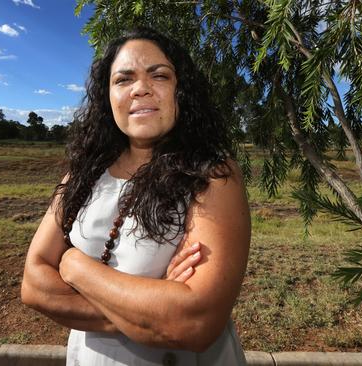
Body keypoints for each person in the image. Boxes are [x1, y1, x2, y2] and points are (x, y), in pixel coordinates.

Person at [21, 27, 250, 365]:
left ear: (181, 90)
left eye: (159, 75)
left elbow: (194, 323)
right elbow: (34, 285)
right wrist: (154, 314)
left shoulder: (212, 176)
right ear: (107, 96)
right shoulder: (82, 174)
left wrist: (73, 266)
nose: (141, 88)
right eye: (123, 80)